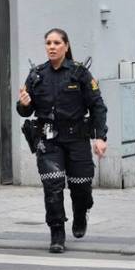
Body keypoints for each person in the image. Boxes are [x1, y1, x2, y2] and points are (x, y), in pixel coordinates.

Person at [17, 28, 108, 254]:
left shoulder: (80, 73)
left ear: (66, 46)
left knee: (81, 186)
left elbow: (97, 106)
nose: (52, 47)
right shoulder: (36, 75)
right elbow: (25, 111)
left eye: (57, 43)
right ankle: (57, 233)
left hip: (77, 138)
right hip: (49, 140)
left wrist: (100, 137)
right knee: (53, 186)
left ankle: (81, 213)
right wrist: (24, 103)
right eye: (48, 42)